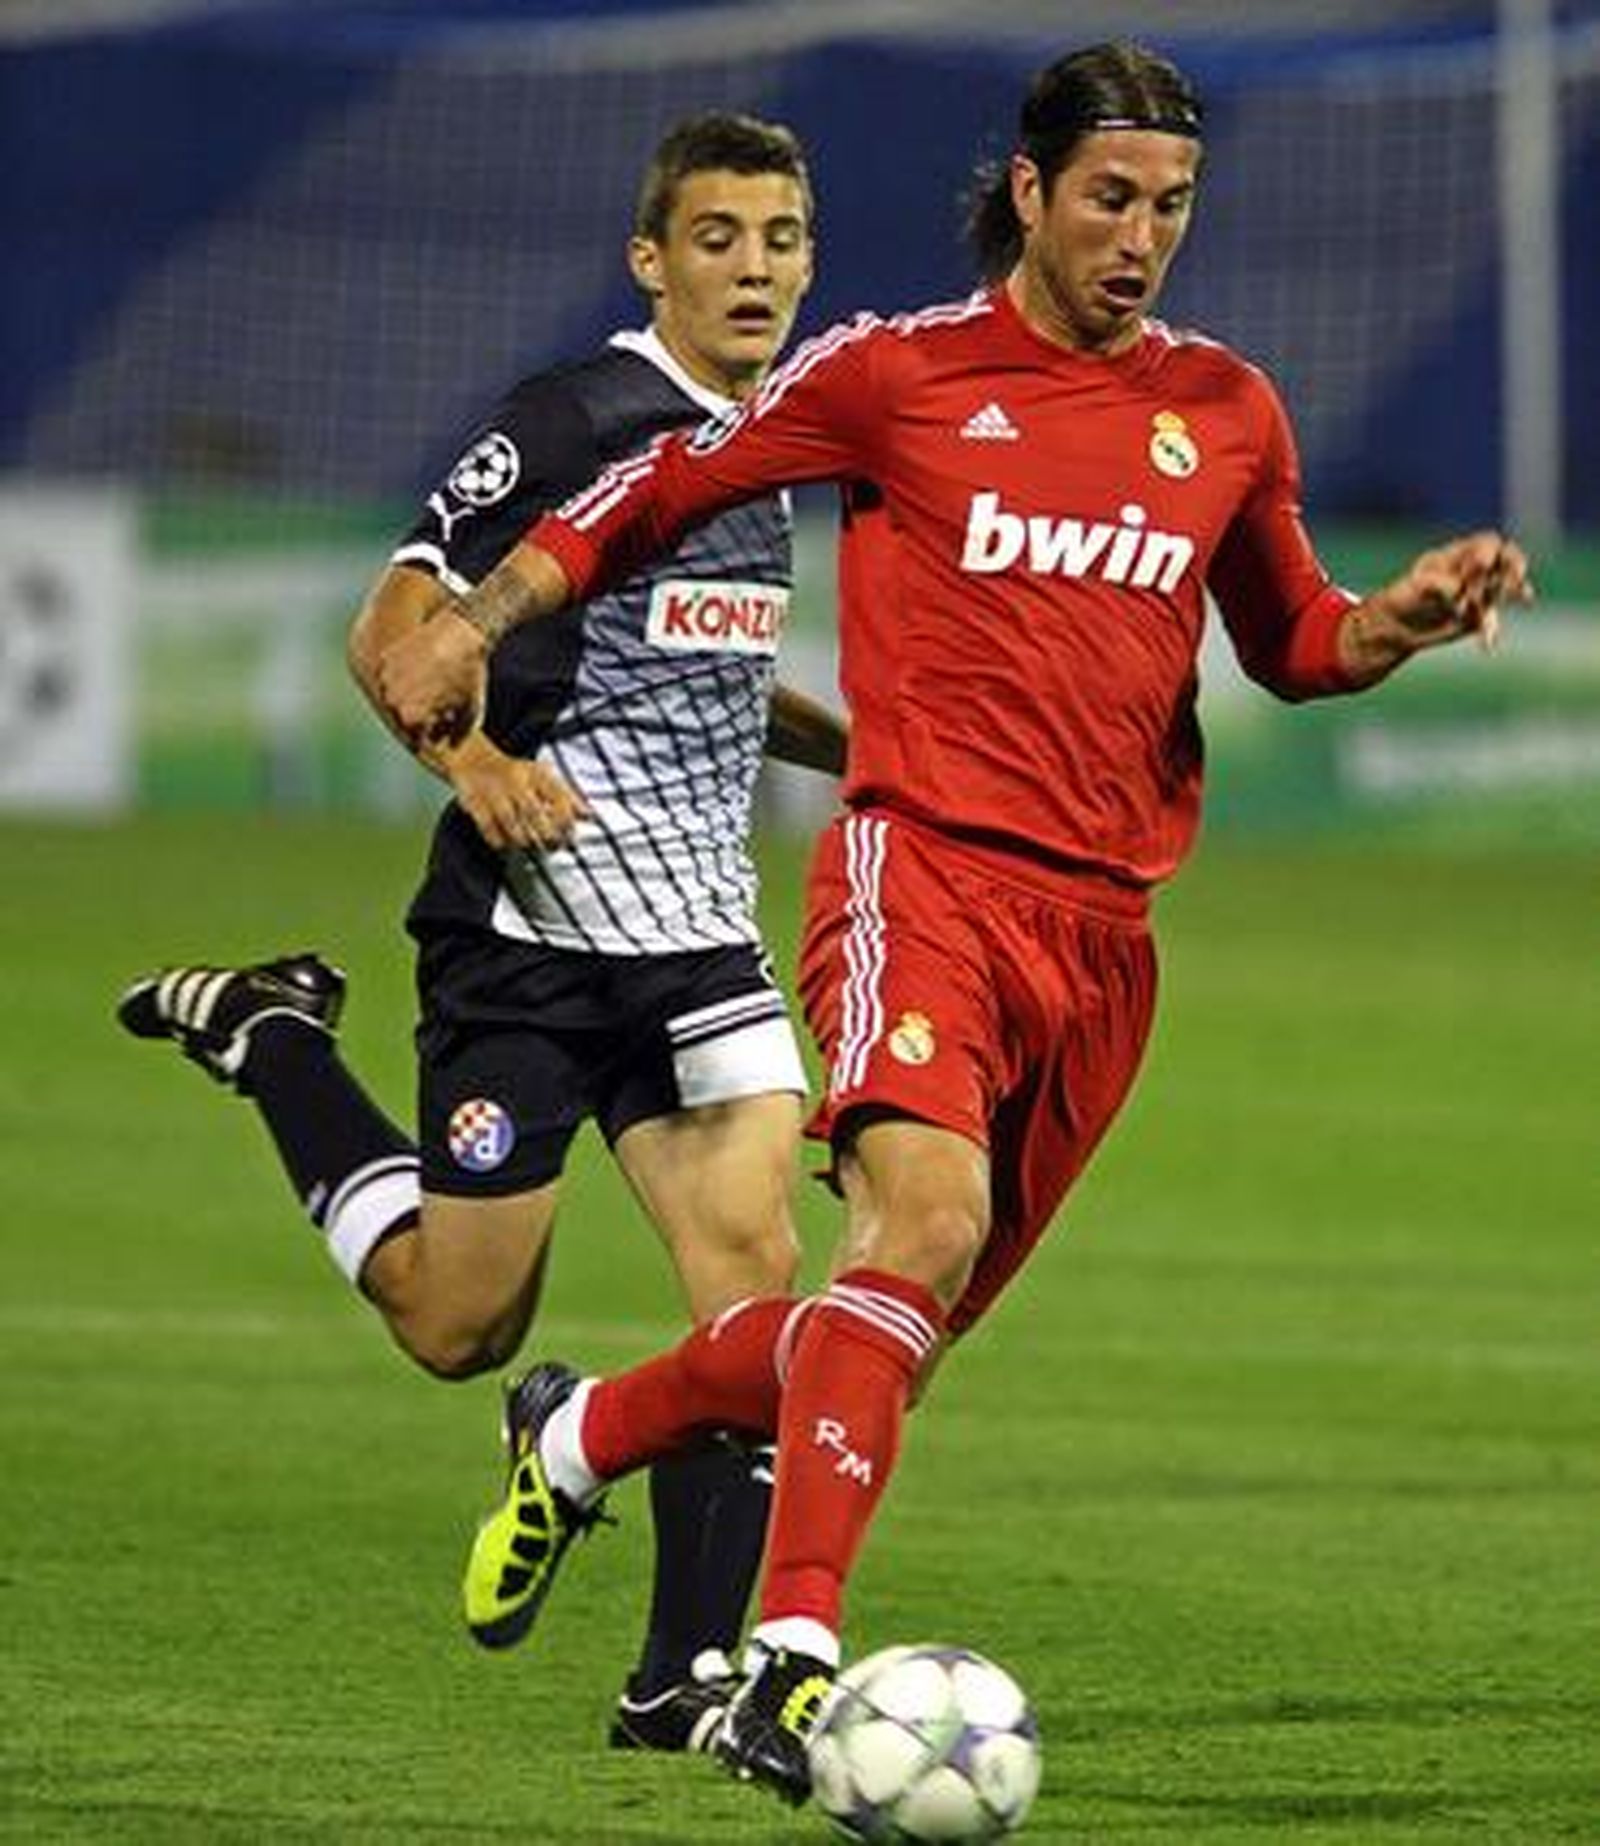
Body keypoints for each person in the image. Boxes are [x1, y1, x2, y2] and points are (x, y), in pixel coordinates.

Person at [373, 41, 1534, 1809]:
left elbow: (1296, 640)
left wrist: (1404, 620)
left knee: (876, 1329)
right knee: (916, 1231)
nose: (1143, 237)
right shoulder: (896, 375)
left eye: (1172, 208)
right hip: (925, 876)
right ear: (1029, 192)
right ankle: (783, 1666)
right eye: (1111, 199)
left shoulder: (1226, 408)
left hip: (1106, 943)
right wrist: (490, 611)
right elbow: (652, 492)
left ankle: (589, 1425)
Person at [117, 112, 845, 1755]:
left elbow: (713, 672)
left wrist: (874, 754)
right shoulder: (573, 417)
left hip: (699, 949)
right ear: (651, 261)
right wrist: (475, 757)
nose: (754, 268)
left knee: (754, 1309)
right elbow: (395, 631)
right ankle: (276, 1039)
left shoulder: (784, 437)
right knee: (459, 1323)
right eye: (717, 238)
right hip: (523, 942)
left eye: (782, 237)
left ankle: (678, 1685)